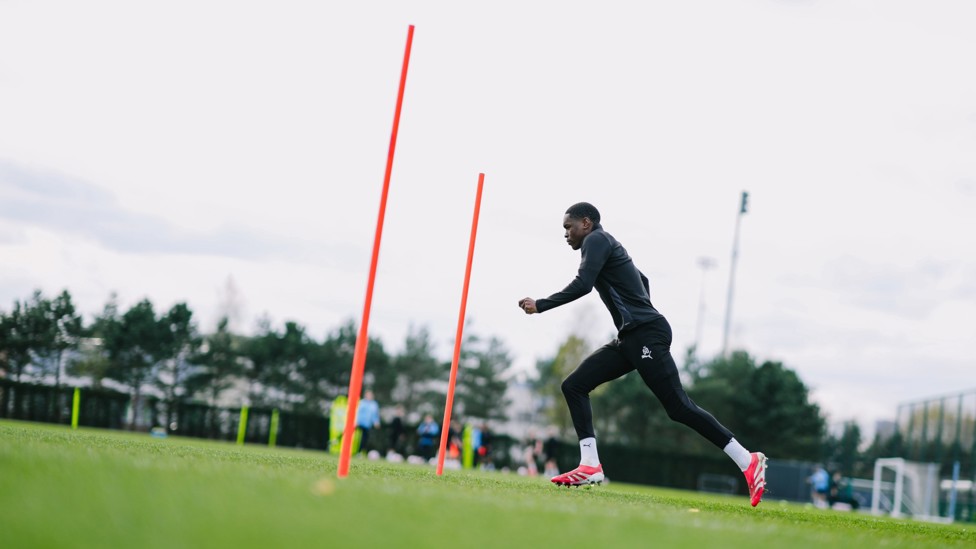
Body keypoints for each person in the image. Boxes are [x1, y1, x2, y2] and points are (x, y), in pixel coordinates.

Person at [518, 202, 767, 507]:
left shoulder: (596, 240)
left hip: (645, 334)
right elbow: (643, 280)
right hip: (632, 337)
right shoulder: (608, 245)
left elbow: (584, 285)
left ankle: (748, 460)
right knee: (574, 385)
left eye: (568, 227)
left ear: (586, 223)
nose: (566, 234)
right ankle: (590, 465)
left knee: (679, 407)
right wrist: (635, 314)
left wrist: (540, 304)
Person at [356, 390, 381, 455]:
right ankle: (355, 450)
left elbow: (375, 415)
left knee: (364, 439)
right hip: (360, 423)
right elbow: (357, 412)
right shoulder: (361, 402)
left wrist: (376, 422)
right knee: (358, 438)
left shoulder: (374, 404)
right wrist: (356, 421)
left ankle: (360, 451)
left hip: (367, 425)